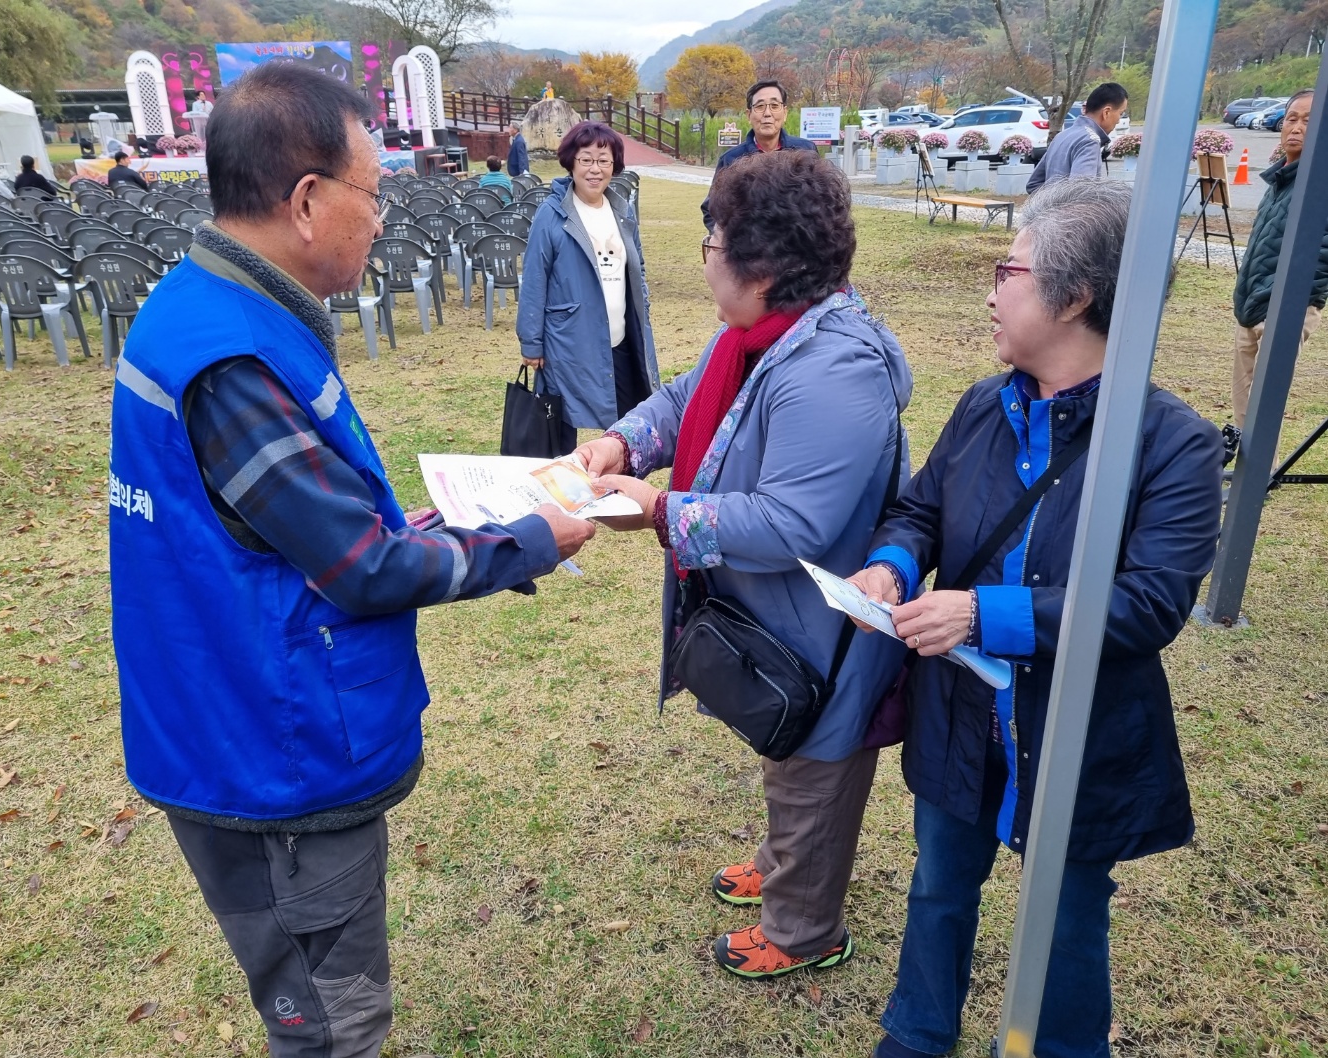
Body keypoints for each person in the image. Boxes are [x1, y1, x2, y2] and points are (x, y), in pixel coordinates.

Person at [108, 59, 593, 1058]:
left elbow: (289, 527)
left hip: (228, 714)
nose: (379, 220)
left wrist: (406, 525)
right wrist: (534, 536)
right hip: (271, 752)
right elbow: (361, 571)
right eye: (371, 195)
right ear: (304, 200)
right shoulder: (233, 361)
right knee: (332, 1024)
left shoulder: (204, 306)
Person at [846, 179, 1223, 1058]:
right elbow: (920, 510)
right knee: (939, 884)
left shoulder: (1174, 443)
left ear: (1075, 296)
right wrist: (891, 565)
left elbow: (1148, 605)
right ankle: (915, 1035)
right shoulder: (986, 403)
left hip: (1076, 734)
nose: (989, 289)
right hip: (959, 717)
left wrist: (981, 612)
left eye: (1005, 269)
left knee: (1064, 917)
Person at [579, 149, 912, 980]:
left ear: (758, 268)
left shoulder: (832, 370)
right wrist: (623, 441)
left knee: (815, 765)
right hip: (768, 618)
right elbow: (684, 398)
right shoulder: (762, 337)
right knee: (780, 740)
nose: (706, 257)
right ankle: (780, 861)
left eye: (712, 241)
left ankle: (805, 929)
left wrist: (660, 510)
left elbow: (792, 521)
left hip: (819, 627)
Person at [517, 121, 658, 452]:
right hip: (568, 340)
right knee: (561, 423)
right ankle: (560, 491)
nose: (595, 169)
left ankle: (622, 487)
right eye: (586, 159)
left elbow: (637, 268)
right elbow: (534, 279)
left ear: (614, 165)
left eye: (604, 160)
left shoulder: (621, 210)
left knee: (626, 423)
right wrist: (531, 343)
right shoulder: (551, 215)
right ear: (571, 162)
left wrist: (644, 308)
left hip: (620, 336)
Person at [1230, 89, 1326, 431]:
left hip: (1286, 308)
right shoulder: (1280, 179)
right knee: (1243, 408)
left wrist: (1291, 299)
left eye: (1309, 121)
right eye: (1292, 119)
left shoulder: (1320, 181)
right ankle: (1242, 481)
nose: (1296, 128)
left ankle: (1257, 484)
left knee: (1262, 407)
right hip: (1251, 304)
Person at [701, 80, 817, 231]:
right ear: (749, 115)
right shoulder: (731, 159)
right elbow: (712, 209)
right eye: (760, 106)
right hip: (749, 249)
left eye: (774, 106)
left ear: (785, 112)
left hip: (795, 247)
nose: (767, 113)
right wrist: (728, 240)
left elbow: (820, 201)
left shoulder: (805, 151)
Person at [1025, 82, 1128, 193]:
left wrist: (1050, 206)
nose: (1118, 120)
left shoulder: (1061, 136)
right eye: (1121, 113)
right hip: (1070, 210)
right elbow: (1080, 194)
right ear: (1106, 112)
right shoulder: (1089, 141)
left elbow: (1033, 185)